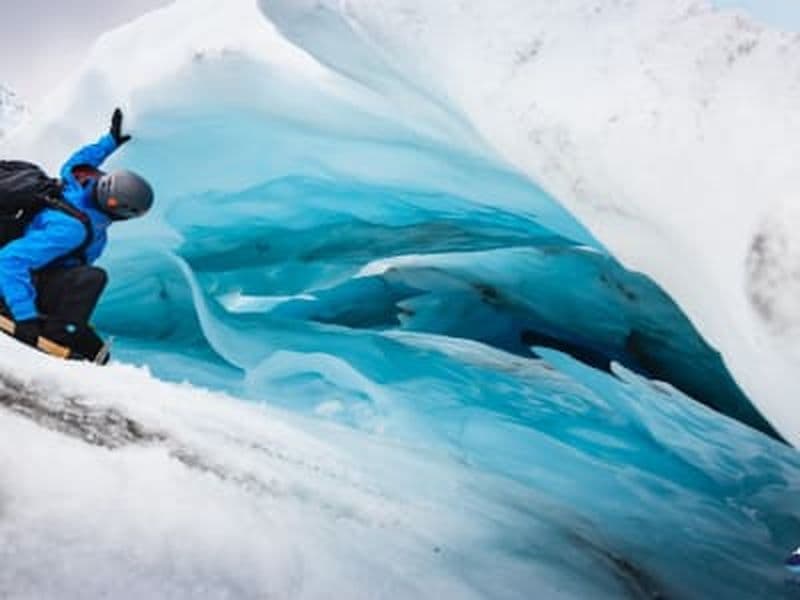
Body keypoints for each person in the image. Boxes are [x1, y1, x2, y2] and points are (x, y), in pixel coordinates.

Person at [0, 109, 153, 362]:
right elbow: (10, 260)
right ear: (120, 209)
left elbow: (82, 159)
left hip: (38, 275)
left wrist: (111, 141)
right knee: (91, 278)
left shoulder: (77, 180)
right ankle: (58, 333)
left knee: (82, 282)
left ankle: (65, 324)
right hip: (15, 282)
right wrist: (25, 318)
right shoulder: (72, 229)